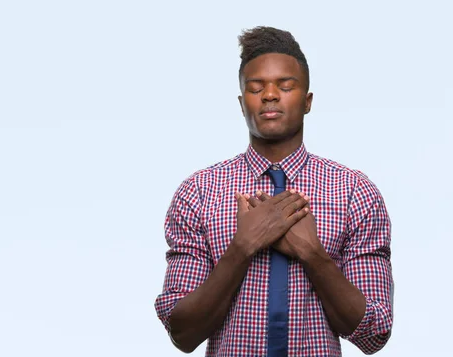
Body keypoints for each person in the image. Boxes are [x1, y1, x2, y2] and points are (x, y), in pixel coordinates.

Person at [154, 26, 394, 357]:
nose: (270, 95)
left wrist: (313, 254)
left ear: (307, 101)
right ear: (242, 104)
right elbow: (182, 333)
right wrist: (242, 248)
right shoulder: (199, 192)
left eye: (285, 86)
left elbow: (374, 333)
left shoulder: (354, 191)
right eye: (256, 88)